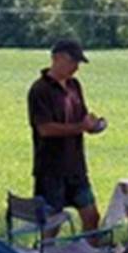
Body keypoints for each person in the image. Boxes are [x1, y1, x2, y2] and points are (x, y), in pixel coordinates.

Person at [27, 38, 106, 233]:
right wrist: (80, 127)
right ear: (57, 58)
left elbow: (82, 117)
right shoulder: (40, 90)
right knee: (52, 224)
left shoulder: (74, 86)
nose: (75, 68)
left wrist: (94, 125)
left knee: (91, 217)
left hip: (76, 167)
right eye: (72, 62)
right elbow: (44, 129)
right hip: (51, 170)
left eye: (78, 63)